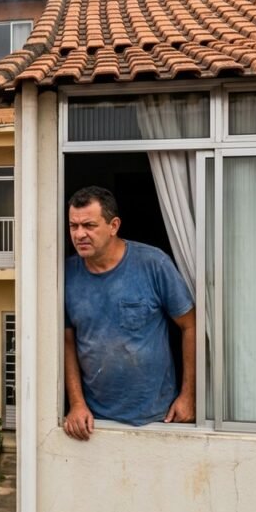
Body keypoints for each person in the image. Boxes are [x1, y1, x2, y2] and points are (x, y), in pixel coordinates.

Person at [63, 186, 195, 441]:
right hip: (94, 420)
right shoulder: (66, 275)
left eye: (89, 225)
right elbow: (67, 341)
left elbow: (190, 326)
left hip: (158, 416)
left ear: (114, 225)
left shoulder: (153, 264)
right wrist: (77, 404)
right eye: (73, 226)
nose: (79, 234)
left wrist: (188, 396)